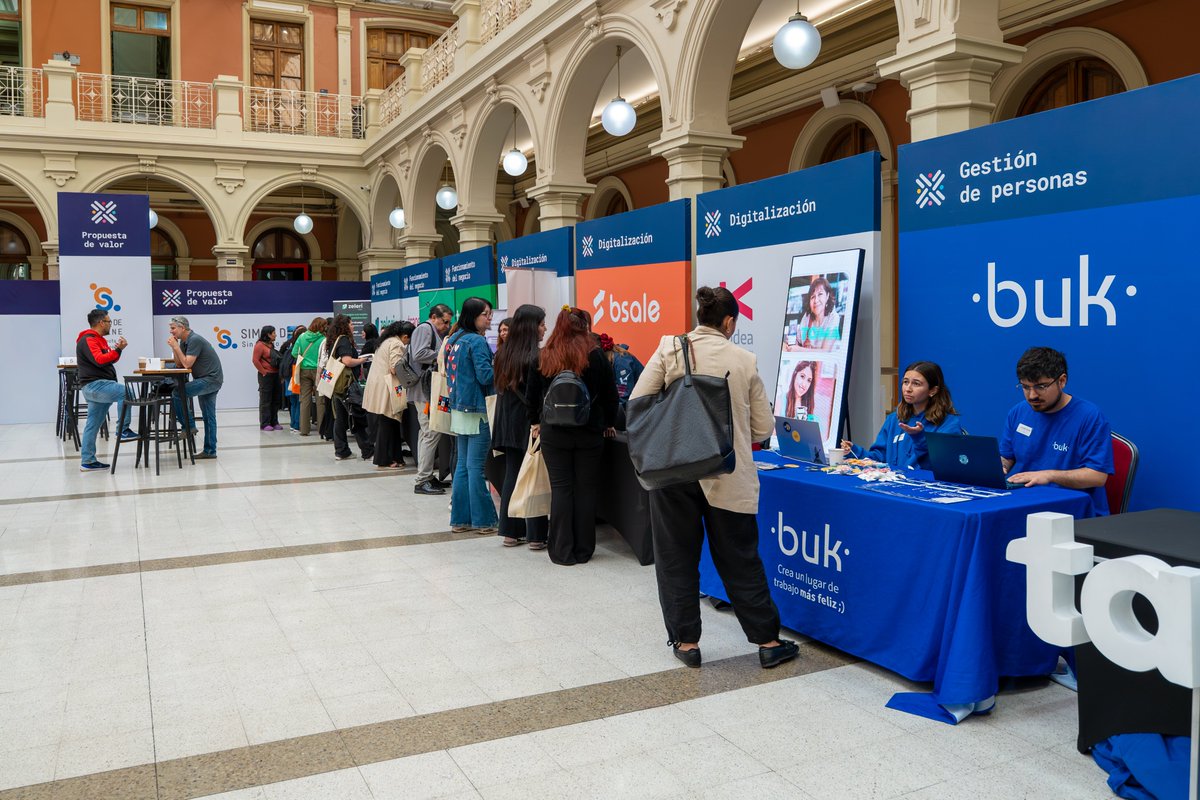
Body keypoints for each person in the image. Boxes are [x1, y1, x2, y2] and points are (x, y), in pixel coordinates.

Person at [631, 286, 800, 670]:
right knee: (740, 558)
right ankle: (768, 642)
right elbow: (761, 428)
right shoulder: (744, 359)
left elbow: (638, 403)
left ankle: (687, 643)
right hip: (728, 474)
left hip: (673, 471)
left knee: (675, 557)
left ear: (699, 317)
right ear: (729, 322)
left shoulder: (670, 348)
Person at [527, 306, 618, 566]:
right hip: (590, 432)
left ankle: (561, 550)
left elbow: (533, 396)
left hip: (554, 433)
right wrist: (608, 423)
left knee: (561, 490)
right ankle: (584, 549)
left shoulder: (545, 355)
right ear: (584, 326)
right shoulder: (596, 355)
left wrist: (535, 421)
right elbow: (611, 396)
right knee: (586, 490)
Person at [1001, 346, 1113, 514]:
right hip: (1024, 504)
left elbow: (1097, 476)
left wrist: (1049, 476)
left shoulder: (1089, 417)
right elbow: (1006, 458)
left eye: (1041, 386)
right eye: (1025, 387)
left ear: (1062, 381)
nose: (1032, 395)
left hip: (1073, 513)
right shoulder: (1018, 412)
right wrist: (996, 468)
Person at [491, 304, 549, 550]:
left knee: (512, 474)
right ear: (531, 326)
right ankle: (536, 535)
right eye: (542, 323)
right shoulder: (537, 356)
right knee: (533, 475)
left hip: (506, 423)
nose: (545, 328)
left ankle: (510, 532)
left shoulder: (503, 354)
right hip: (529, 423)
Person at [841, 361, 962, 469]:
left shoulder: (948, 424)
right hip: (890, 486)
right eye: (905, 382)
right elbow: (878, 458)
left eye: (916, 384)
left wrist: (919, 438)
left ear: (933, 391)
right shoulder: (894, 419)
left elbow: (941, 468)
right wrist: (853, 451)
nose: (908, 389)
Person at [444, 297, 499, 533]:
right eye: (486, 314)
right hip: (478, 411)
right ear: (474, 315)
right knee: (476, 467)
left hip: (459, 409)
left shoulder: (453, 339)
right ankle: (484, 520)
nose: (490, 318)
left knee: (464, 467)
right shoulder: (476, 342)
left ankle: (460, 520)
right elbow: (486, 377)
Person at [75, 309, 138, 471]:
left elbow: (109, 360)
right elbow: (100, 360)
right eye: (109, 321)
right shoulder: (88, 339)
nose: (110, 324)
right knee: (126, 392)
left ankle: (87, 461)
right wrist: (117, 351)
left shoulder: (99, 340)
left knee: (93, 424)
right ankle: (122, 430)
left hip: (97, 385)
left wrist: (118, 350)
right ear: (101, 322)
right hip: (95, 385)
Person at [409, 303, 455, 495]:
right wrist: (443, 354)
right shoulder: (425, 328)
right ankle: (422, 480)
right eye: (444, 321)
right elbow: (419, 354)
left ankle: (426, 475)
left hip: (426, 391)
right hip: (424, 391)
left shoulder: (431, 330)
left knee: (427, 432)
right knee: (430, 432)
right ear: (434, 317)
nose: (446, 326)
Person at [167, 315, 223, 459]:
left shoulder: (194, 339)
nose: (171, 332)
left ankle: (189, 426)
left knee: (178, 393)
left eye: (173, 328)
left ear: (182, 327)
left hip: (210, 379)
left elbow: (187, 364)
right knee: (209, 416)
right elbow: (179, 364)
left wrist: (175, 346)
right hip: (206, 379)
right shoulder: (185, 342)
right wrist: (176, 347)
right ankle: (210, 451)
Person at [363, 320, 414, 469]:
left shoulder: (386, 341)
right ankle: (383, 458)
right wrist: (411, 378)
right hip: (387, 387)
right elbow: (395, 368)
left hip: (378, 385)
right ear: (405, 336)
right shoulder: (397, 344)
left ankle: (395, 457)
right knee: (387, 423)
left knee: (388, 423)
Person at [327, 313, 373, 462]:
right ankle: (367, 450)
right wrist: (361, 360)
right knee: (357, 417)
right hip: (346, 384)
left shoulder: (334, 340)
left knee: (340, 419)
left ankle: (341, 451)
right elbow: (347, 361)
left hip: (337, 386)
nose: (353, 326)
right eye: (351, 324)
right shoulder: (345, 340)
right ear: (345, 326)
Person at [786, 276, 840, 352]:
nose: (816, 300)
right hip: (806, 363)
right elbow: (799, 341)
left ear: (827, 296)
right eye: (812, 297)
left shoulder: (833, 318)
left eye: (820, 294)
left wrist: (798, 350)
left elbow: (826, 351)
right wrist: (792, 343)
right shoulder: (807, 317)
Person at [292, 317, 326, 436]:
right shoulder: (323, 339)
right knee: (320, 400)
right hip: (319, 371)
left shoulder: (301, 337)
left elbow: (294, 353)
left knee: (304, 400)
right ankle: (322, 430)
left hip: (304, 370)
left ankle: (304, 430)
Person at [252, 325, 282, 431]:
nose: (275, 335)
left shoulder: (271, 345)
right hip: (266, 376)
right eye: (274, 333)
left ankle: (274, 421)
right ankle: (265, 423)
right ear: (268, 334)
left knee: (276, 399)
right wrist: (263, 372)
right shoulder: (259, 345)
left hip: (275, 374)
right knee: (266, 400)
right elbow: (255, 360)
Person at [278, 324, 306, 432]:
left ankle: (293, 424)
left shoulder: (288, 346)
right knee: (299, 402)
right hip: (296, 375)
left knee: (293, 402)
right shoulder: (299, 348)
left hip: (288, 378)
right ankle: (297, 424)